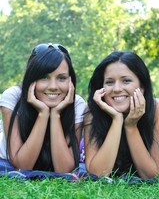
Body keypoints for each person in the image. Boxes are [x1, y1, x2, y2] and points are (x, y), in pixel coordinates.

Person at [0, 43, 85, 173]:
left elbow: (64, 170)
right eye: (44, 77)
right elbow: (22, 166)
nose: (53, 86)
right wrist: (43, 114)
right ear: (31, 79)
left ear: (70, 81)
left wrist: (55, 114)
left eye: (61, 78)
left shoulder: (77, 104)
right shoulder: (13, 97)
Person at [84, 51, 159, 179]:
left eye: (126, 81)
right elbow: (97, 174)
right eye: (109, 82)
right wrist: (117, 120)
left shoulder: (156, 110)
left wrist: (131, 126)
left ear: (142, 87)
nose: (117, 89)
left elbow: (152, 175)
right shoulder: (93, 112)